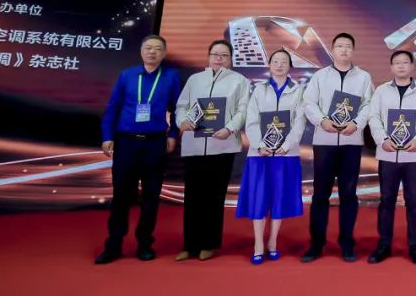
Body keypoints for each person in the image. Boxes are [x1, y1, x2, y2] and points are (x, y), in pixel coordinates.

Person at [95, 34, 182, 264]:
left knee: (151, 196)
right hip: (126, 142)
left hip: (155, 143)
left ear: (164, 53)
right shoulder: (127, 75)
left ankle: (145, 244)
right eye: (148, 48)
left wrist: (173, 134)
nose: (152, 52)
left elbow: (179, 109)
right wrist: (107, 136)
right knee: (121, 195)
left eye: (157, 49)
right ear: (141, 51)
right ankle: (114, 245)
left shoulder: (171, 76)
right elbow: (113, 108)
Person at [174, 39, 251, 261]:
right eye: (215, 54)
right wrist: (182, 122)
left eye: (224, 55)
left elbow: (243, 110)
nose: (219, 58)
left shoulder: (240, 81)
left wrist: (230, 128)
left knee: (214, 196)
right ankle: (189, 245)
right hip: (194, 145)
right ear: (208, 57)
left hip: (223, 145)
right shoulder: (195, 79)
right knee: (193, 196)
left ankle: (209, 244)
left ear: (231, 59)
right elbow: (182, 106)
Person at [301, 32, 374, 262]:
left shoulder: (363, 77)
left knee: (349, 194)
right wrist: (322, 121)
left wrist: (356, 123)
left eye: (348, 46)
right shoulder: (320, 76)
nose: (344, 50)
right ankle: (316, 244)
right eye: (340, 46)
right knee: (320, 195)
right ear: (332, 50)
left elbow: (368, 105)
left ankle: (347, 243)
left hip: (351, 142)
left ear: (353, 50)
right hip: (324, 142)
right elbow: (309, 103)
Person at [238, 49, 306, 265]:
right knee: (258, 198)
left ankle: (273, 241)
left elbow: (299, 123)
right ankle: (258, 243)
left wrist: (285, 146)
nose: (279, 65)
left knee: (279, 198)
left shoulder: (298, 91)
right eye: (275, 61)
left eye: (284, 61)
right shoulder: (259, 90)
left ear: (290, 66)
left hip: (286, 155)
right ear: (269, 65)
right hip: (260, 155)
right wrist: (260, 145)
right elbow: (251, 121)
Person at [367, 51, 416, 265]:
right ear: (391, 67)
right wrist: (382, 140)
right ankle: (384, 244)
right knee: (386, 200)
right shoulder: (381, 91)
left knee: (413, 201)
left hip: (413, 154)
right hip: (388, 153)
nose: (401, 66)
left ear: (412, 66)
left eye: (405, 62)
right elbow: (373, 117)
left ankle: (415, 246)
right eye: (397, 63)